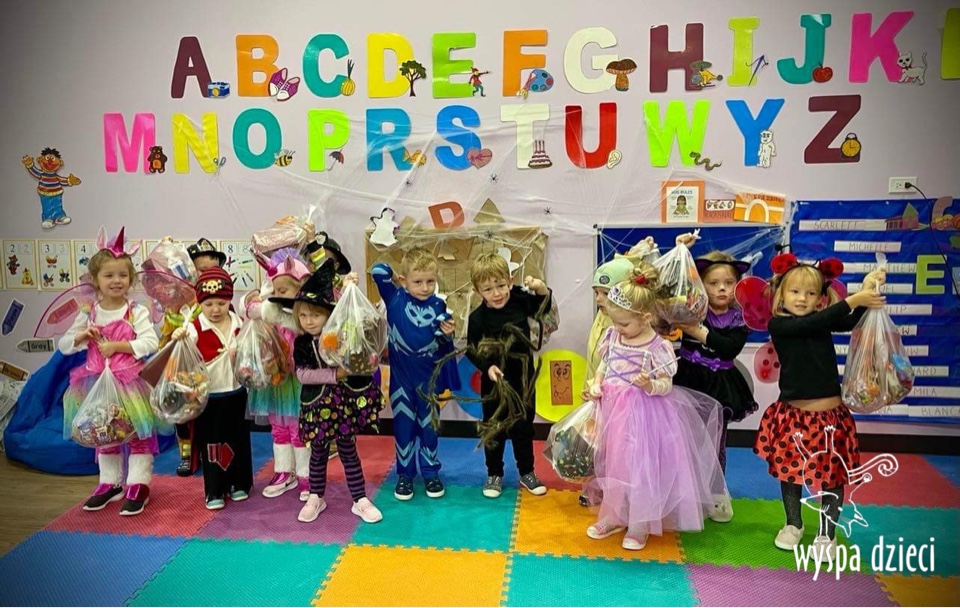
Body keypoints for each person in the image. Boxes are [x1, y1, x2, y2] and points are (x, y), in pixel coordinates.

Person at [584, 263, 728, 550]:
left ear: (645, 318)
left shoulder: (656, 347)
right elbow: (605, 365)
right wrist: (597, 383)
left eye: (624, 324)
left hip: (645, 417)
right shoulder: (614, 336)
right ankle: (614, 515)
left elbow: (666, 384)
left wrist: (650, 385)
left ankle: (640, 524)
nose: (618, 329)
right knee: (615, 465)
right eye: (615, 322)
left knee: (641, 470)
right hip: (614, 413)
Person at [754, 253, 886, 562]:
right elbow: (817, 321)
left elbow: (847, 320)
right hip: (792, 416)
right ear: (781, 295)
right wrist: (853, 299)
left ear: (820, 298)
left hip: (829, 418)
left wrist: (867, 290)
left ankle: (827, 533)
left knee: (831, 477)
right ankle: (793, 523)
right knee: (790, 473)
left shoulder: (823, 320)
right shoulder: (779, 325)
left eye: (811, 293)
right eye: (795, 291)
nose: (802, 298)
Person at [60, 227, 161, 516]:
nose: (116, 281)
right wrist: (81, 337)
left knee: (138, 433)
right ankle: (109, 482)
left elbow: (150, 342)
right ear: (95, 280)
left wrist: (119, 346)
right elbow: (65, 345)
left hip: (129, 383)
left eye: (122, 275)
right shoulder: (88, 312)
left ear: (130, 279)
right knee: (103, 433)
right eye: (109, 275)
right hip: (96, 384)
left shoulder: (135, 310)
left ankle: (138, 483)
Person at [673, 238, 759, 523]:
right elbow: (667, 296)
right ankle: (686, 491)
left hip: (721, 384)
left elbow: (728, 348)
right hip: (688, 378)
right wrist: (681, 251)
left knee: (715, 442)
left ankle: (716, 493)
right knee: (685, 438)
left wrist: (696, 332)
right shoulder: (691, 308)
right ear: (701, 284)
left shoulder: (739, 318)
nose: (722, 288)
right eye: (713, 283)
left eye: (729, 283)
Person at [292, 261, 383, 524]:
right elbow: (302, 375)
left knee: (348, 450)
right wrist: (335, 375)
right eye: (303, 316)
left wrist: (347, 288)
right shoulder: (302, 343)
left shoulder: (342, 334)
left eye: (315, 315)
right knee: (318, 452)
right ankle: (315, 496)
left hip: (342, 405)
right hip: (316, 406)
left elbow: (361, 344)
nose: (309, 321)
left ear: (329, 315)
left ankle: (359, 498)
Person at [371, 248, 460, 500]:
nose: (425, 287)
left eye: (430, 281)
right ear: (404, 280)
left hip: (428, 382)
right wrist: (394, 277)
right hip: (401, 382)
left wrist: (448, 334)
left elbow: (443, 342)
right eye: (418, 281)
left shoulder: (439, 305)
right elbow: (378, 271)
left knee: (429, 429)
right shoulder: (394, 298)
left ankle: (431, 474)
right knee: (403, 428)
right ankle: (405, 476)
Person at [466, 253, 551, 498]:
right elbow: (471, 349)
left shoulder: (520, 300)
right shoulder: (477, 318)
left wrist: (541, 288)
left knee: (523, 427)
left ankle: (527, 472)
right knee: (494, 429)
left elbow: (543, 307)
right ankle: (494, 474)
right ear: (477, 291)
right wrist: (487, 367)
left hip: (523, 380)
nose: (497, 293)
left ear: (511, 281)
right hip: (494, 384)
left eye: (501, 285)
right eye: (488, 289)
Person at [172, 267, 253, 510]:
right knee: (212, 443)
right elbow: (182, 350)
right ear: (200, 303)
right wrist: (179, 335)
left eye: (221, 303)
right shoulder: (194, 327)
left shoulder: (239, 322)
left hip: (238, 392)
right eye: (208, 304)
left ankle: (239, 483)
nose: (215, 309)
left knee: (238, 439)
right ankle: (215, 489)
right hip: (210, 395)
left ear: (229, 300)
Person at [241, 249, 312, 500]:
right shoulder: (271, 311)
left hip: (299, 381)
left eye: (284, 290)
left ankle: (306, 474)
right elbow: (248, 308)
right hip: (276, 380)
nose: (279, 295)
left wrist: (271, 311)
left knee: (299, 429)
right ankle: (283, 471)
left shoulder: (304, 315)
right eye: (276, 290)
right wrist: (261, 299)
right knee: (278, 426)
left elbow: (300, 329)